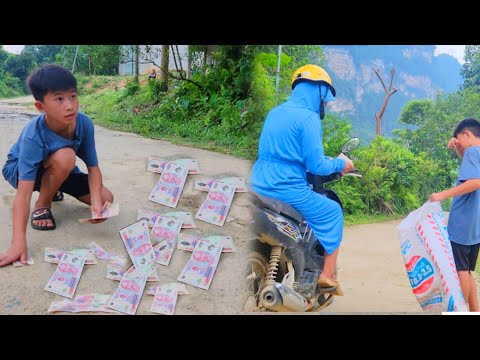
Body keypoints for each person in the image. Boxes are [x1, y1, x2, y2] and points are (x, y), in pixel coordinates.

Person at [249, 64, 354, 296]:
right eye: (324, 97)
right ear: (317, 90)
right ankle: (327, 275)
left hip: (257, 181)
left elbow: (286, 154)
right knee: (332, 211)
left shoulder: (275, 112)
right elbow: (316, 165)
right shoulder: (309, 118)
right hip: (287, 188)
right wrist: (341, 164)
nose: (324, 103)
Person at [0, 64, 114, 267]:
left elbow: (93, 168)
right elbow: (23, 194)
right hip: (20, 170)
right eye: (59, 99)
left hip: (61, 169)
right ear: (40, 106)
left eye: (73, 96)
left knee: (107, 199)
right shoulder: (33, 134)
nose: (70, 105)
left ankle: (54, 187)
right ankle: (43, 204)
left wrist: (96, 204)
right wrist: (18, 243)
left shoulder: (84, 124)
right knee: (66, 156)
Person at [430, 118, 480, 312]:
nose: (457, 142)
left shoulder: (473, 152)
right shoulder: (476, 153)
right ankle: (474, 311)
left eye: (459, 138)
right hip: (474, 227)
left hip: (462, 225)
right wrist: (459, 149)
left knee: (460, 272)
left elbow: (475, 181)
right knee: (467, 271)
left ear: (467, 134)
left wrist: (442, 195)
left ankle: (460, 311)